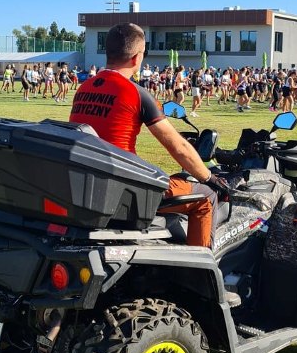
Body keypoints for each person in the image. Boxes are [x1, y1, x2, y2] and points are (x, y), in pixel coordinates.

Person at [69, 23, 226, 248]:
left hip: (88, 183)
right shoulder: (136, 93)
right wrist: (210, 178)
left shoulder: (84, 89)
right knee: (206, 196)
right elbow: (178, 147)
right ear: (137, 57)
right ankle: (202, 262)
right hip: (125, 189)